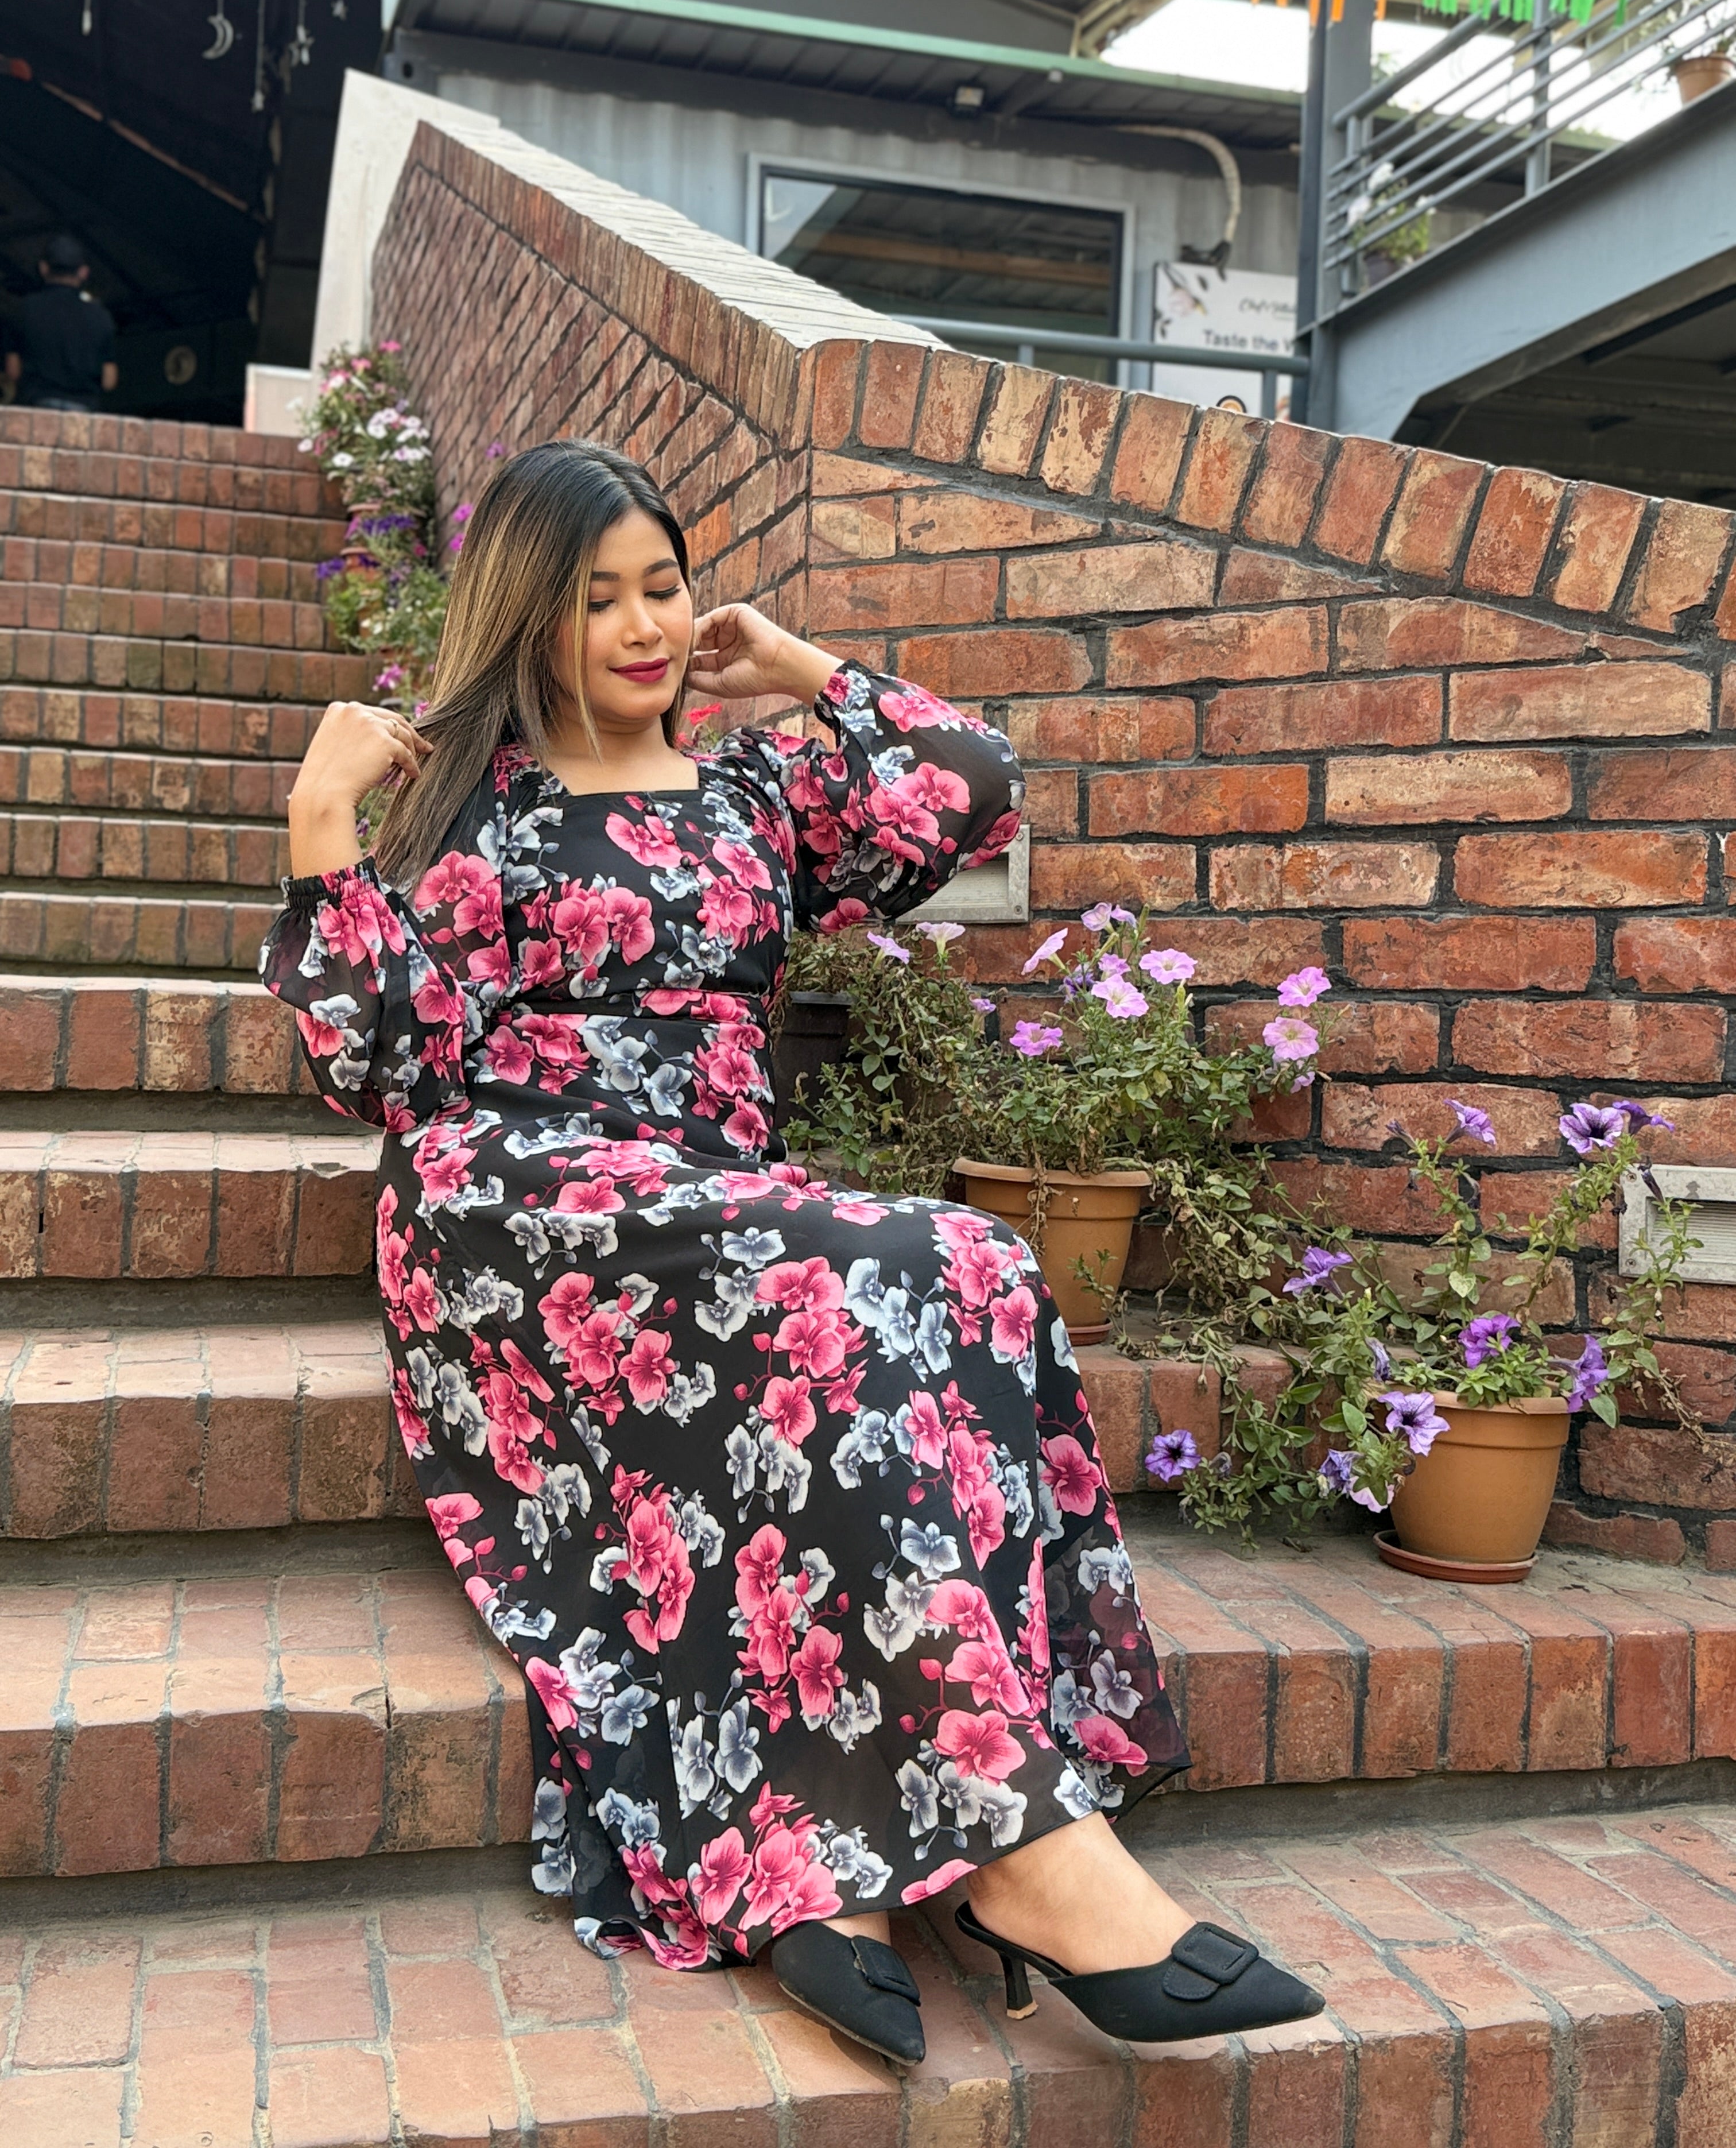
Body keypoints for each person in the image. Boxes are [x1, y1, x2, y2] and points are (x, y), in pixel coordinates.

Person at [259, 440, 1323, 2066]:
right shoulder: (475, 811)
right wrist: (321, 822)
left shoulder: (757, 789)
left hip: (716, 1197)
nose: (644, 627)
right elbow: (378, 1065)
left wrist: (804, 669)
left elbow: (970, 784)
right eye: (596, 598)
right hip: (519, 1194)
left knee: (976, 1261)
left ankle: (834, 1854)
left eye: (664, 586)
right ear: (527, 619)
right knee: (838, 1267)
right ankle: (1032, 1864)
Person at [4, 233, 119, 413]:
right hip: (84, 411)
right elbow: (109, 380)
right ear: (83, 272)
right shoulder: (101, 317)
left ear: (43, 268)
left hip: (37, 408)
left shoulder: (23, 310)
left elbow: (13, 371)